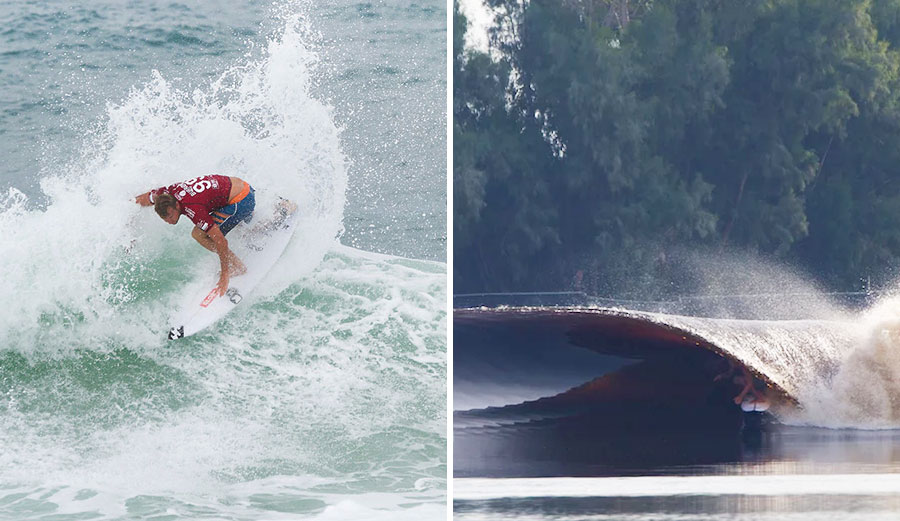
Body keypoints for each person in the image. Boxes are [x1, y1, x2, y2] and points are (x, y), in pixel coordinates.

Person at [135, 174, 255, 296]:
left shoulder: (193, 209)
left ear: (177, 205)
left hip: (243, 201)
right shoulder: (166, 194)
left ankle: (237, 267)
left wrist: (225, 273)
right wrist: (129, 206)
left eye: (171, 216)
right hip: (243, 187)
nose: (169, 221)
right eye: (165, 219)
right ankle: (257, 227)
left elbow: (220, 241)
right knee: (218, 218)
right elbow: (148, 197)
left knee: (199, 234)